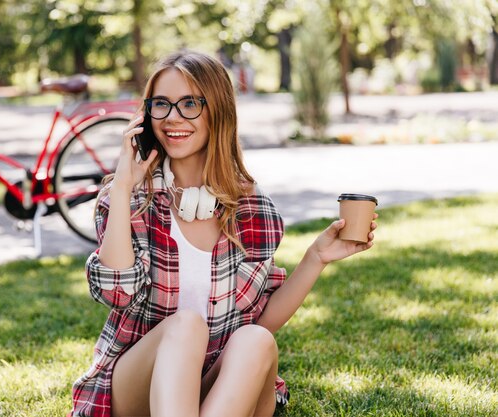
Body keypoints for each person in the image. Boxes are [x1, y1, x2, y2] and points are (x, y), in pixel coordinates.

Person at [69, 51, 377, 417]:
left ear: (217, 111)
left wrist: (316, 257)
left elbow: (259, 320)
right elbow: (115, 293)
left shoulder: (250, 206)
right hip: (137, 389)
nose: (172, 118)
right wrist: (121, 189)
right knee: (185, 326)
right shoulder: (129, 199)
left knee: (256, 339)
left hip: (215, 386)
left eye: (189, 104)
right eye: (161, 105)